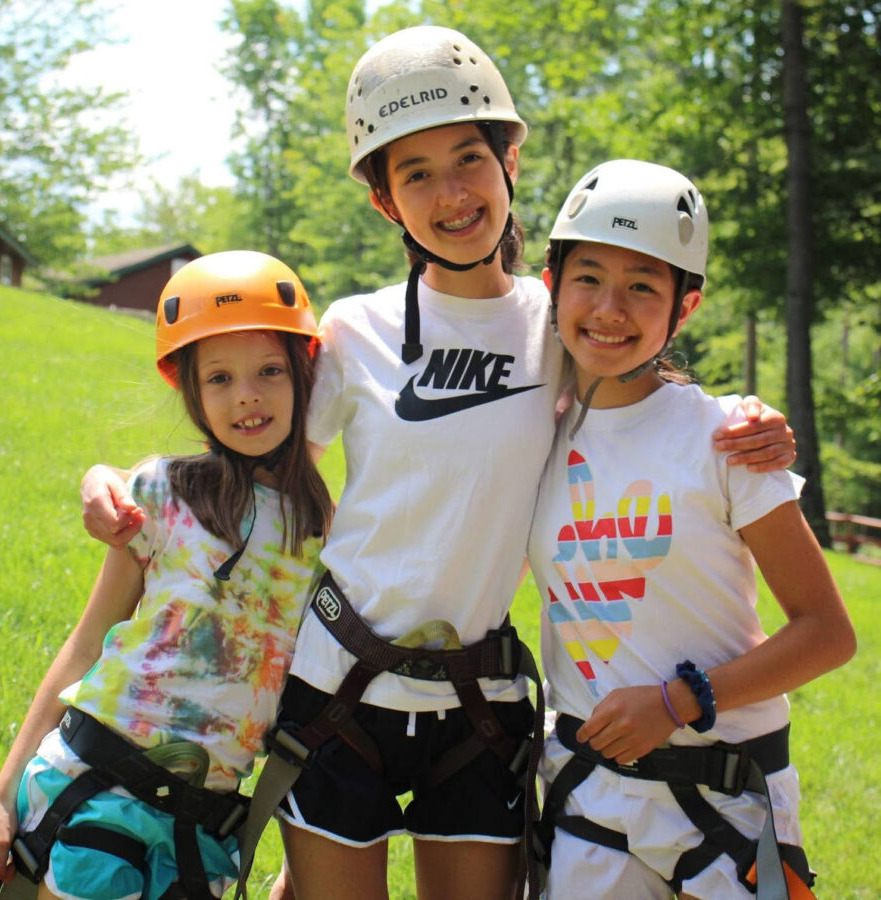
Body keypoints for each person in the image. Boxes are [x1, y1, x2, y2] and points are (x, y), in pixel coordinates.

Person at [77, 28, 797, 900]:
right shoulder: (354, 331)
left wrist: (745, 418)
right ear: (385, 202)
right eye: (415, 174)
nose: (451, 194)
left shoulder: (556, 321)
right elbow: (251, 452)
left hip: (478, 701)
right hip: (338, 684)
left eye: (468, 159)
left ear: (511, 164)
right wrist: (123, 482)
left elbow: (635, 367)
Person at [527, 159, 856, 899]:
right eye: (589, 276)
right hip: (591, 801)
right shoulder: (530, 438)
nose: (610, 307)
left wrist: (678, 702)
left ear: (686, 306)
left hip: (728, 798)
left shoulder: (729, 439)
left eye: (643, 285)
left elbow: (827, 633)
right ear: (551, 284)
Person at [0, 251, 333, 900]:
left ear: (306, 372)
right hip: (92, 788)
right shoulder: (161, 492)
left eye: (270, 371)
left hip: (200, 832)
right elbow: (87, 644)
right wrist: (1, 797)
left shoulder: (326, 539)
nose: (247, 394)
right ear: (190, 389)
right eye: (220, 378)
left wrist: (297, 868)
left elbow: (311, 714)